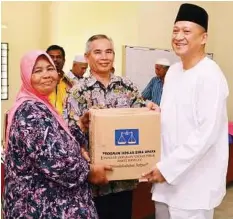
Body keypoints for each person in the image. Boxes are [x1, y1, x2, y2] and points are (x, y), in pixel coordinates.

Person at [142, 3, 229, 219]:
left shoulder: (210, 75)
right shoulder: (173, 72)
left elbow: (205, 134)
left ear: (204, 38)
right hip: (165, 182)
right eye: (175, 30)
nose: (178, 36)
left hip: (194, 185)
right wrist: (157, 112)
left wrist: (168, 168)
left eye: (186, 31)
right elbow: (180, 117)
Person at [3, 50, 112, 218]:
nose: (46, 75)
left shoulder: (41, 105)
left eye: (50, 69)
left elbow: (56, 140)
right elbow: (55, 162)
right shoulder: (29, 111)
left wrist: (79, 126)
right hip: (40, 208)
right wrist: (89, 171)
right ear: (26, 76)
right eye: (37, 71)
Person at [64, 34, 158, 219]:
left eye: (109, 52)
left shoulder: (127, 86)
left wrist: (149, 109)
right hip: (93, 183)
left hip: (124, 178)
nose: (104, 57)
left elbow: (142, 122)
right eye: (97, 52)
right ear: (87, 56)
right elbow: (68, 135)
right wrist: (81, 125)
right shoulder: (78, 91)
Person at [46, 45, 72, 115]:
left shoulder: (70, 83)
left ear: (64, 60)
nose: (55, 59)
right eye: (51, 57)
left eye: (58, 57)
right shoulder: (40, 82)